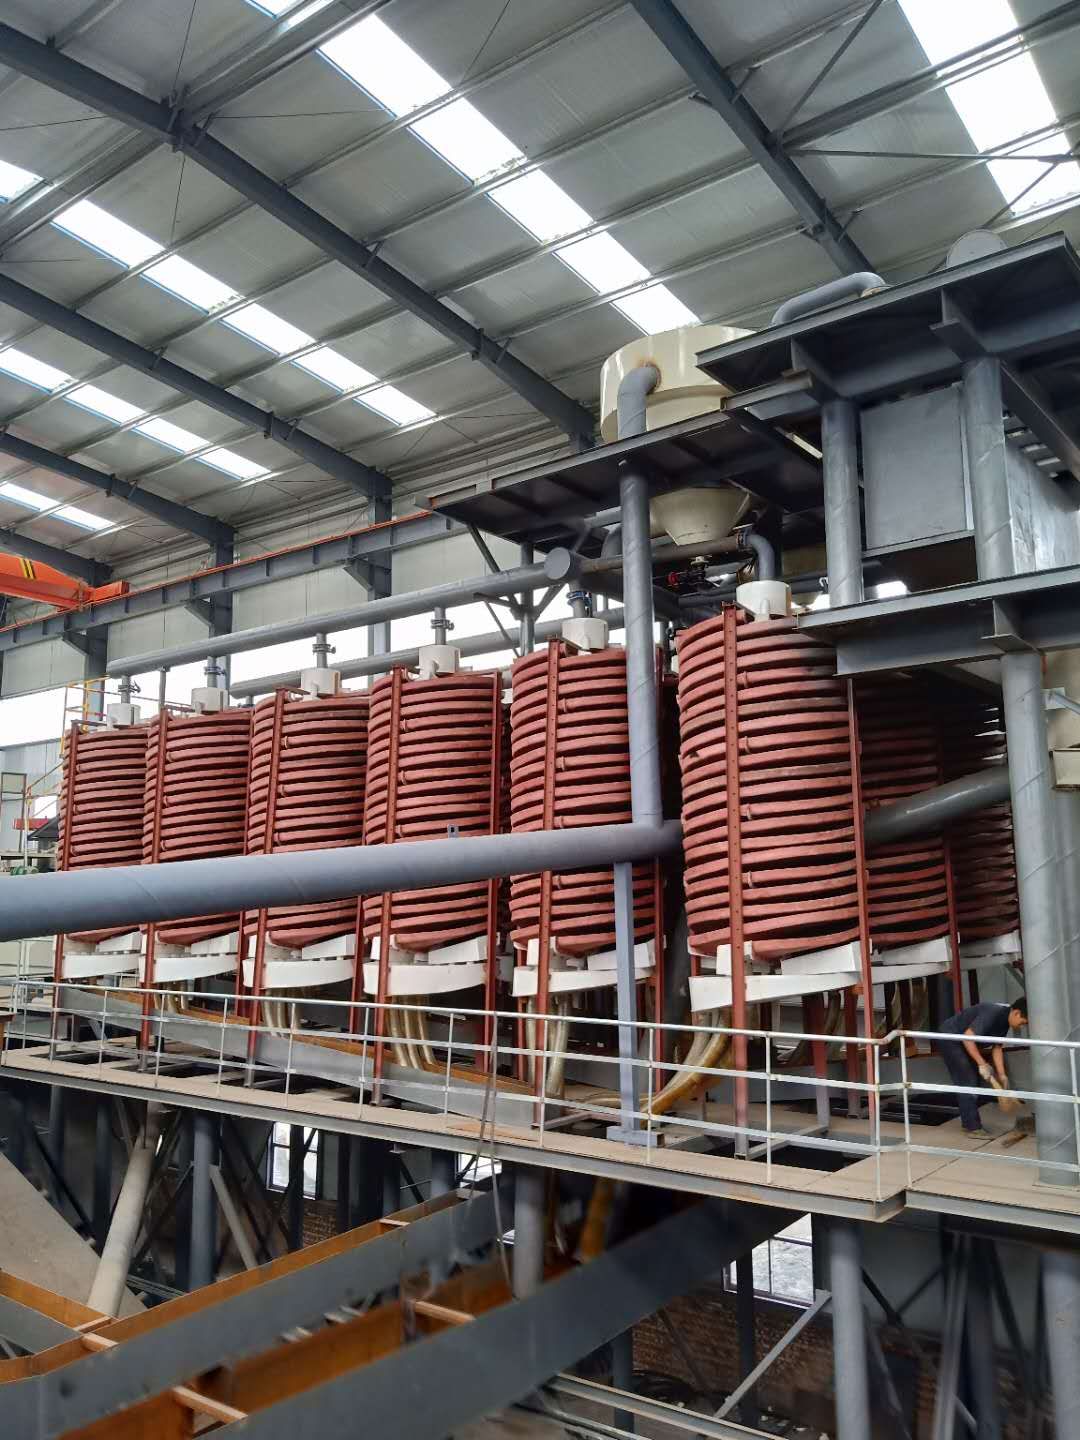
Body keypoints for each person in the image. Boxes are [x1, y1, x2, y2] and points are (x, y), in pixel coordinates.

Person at [935, 996, 1028, 1136]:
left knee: (973, 1080)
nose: (1021, 1026)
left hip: (964, 1042)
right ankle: (972, 1128)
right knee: (968, 1080)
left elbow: (997, 1047)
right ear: (1016, 1013)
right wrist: (982, 1064)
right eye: (1023, 1022)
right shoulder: (992, 1013)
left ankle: (969, 1123)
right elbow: (968, 1038)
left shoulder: (1004, 1020)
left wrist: (1002, 1075)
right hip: (951, 1039)